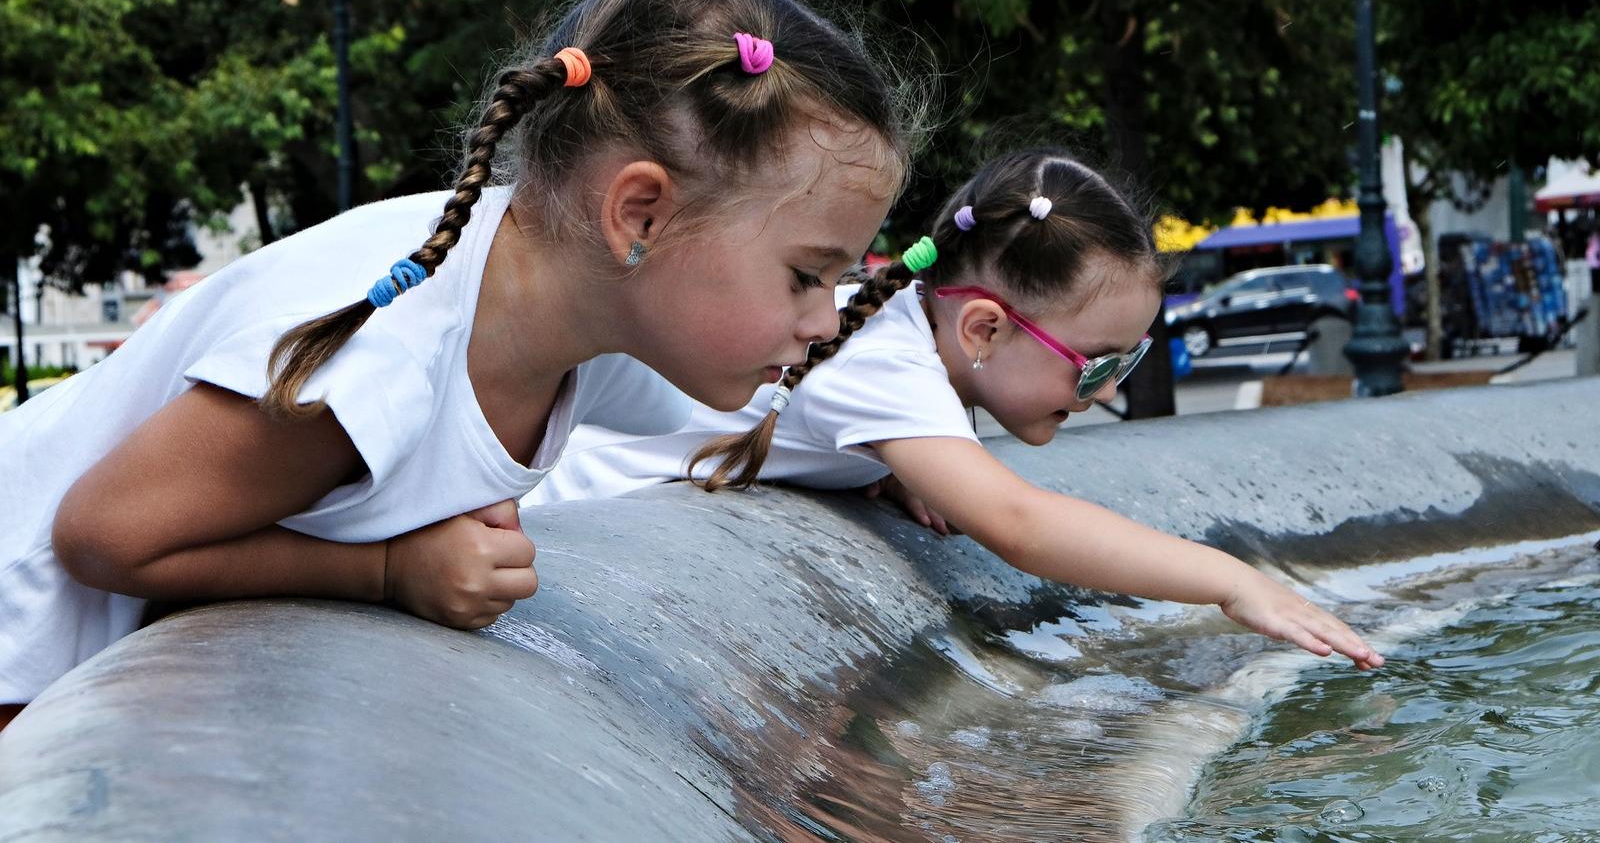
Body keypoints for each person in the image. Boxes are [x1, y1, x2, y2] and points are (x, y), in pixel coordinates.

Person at [0, 0, 919, 731]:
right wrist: (390, 571)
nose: (824, 317)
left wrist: (878, 458)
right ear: (638, 214)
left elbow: (740, 413)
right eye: (807, 275)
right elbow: (103, 538)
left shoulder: (572, 311)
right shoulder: (376, 365)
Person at [528, 148, 1384, 671]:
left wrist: (889, 468)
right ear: (983, 326)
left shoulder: (902, 346)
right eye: (1095, 366)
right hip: (569, 528)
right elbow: (1018, 522)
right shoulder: (883, 357)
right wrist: (1232, 583)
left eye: (1131, 362)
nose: (1112, 392)